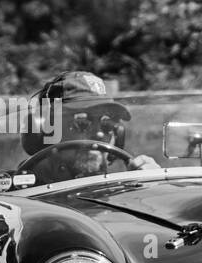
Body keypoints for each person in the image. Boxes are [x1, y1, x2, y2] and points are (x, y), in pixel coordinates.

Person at [21, 70, 159, 184]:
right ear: (45, 130)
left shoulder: (121, 192)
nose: (99, 134)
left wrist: (152, 190)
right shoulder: (15, 199)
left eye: (107, 124)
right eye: (82, 122)